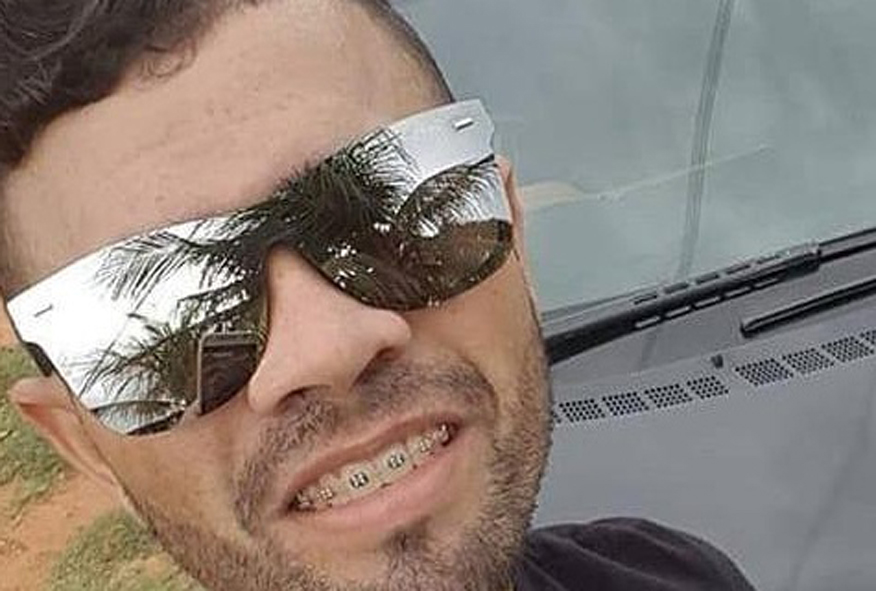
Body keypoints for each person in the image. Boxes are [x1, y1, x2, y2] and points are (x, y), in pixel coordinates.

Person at [0, 1, 757, 589]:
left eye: (390, 214)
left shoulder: (672, 574)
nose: (328, 347)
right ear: (81, 444)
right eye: (171, 314)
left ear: (512, 235)